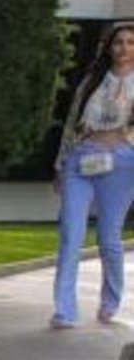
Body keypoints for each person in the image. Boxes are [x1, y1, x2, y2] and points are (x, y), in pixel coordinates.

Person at [54, 20, 134, 327]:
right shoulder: (92, 80)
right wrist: (60, 165)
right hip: (81, 160)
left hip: (122, 164)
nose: (123, 48)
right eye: (118, 42)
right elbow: (72, 122)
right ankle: (64, 311)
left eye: (130, 42)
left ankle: (110, 301)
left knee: (108, 237)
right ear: (109, 47)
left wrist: (120, 136)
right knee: (70, 234)